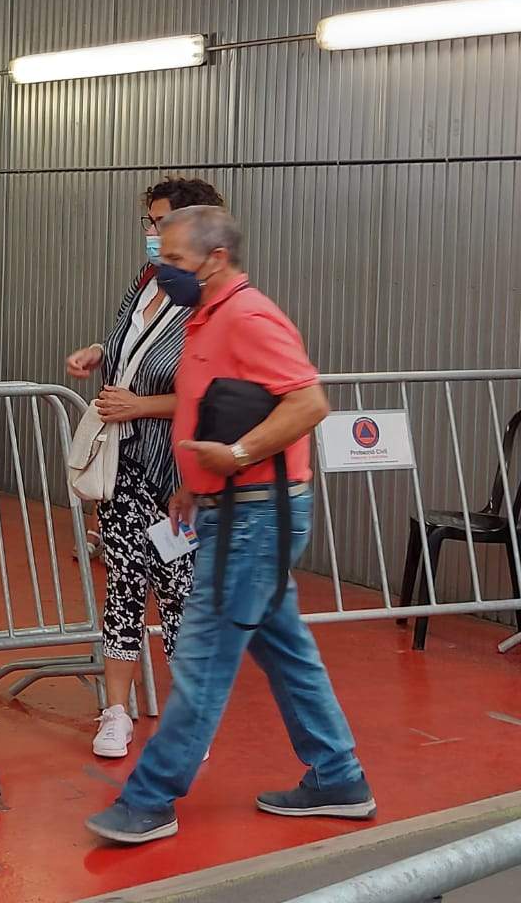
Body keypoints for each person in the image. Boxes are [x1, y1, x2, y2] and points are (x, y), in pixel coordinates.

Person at [87, 207, 374, 846]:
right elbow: (209, 407)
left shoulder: (249, 316)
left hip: (256, 516)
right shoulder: (203, 318)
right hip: (231, 507)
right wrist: (195, 483)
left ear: (215, 259)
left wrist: (237, 458)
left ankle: (150, 798)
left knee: (204, 657)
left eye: (177, 263)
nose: (165, 272)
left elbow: (309, 403)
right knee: (286, 651)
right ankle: (339, 776)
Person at [63, 176, 224, 758]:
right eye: (148, 224)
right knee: (123, 587)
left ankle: (189, 717)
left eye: (161, 225)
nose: (151, 236)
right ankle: (115, 711)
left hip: (175, 474)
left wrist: (143, 405)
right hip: (125, 464)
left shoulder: (209, 304)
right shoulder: (147, 283)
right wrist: (100, 353)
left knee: (179, 591)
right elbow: (130, 343)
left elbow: (212, 396)